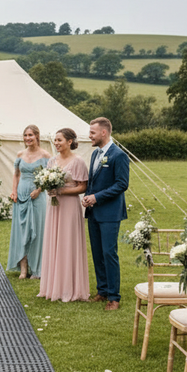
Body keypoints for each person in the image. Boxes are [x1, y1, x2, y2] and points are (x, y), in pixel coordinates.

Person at [82, 117, 130, 311]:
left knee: (109, 253)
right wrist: (88, 197)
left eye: (92, 132)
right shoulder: (95, 154)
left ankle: (114, 297)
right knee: (97, 253)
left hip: (110, 212)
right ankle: (102, 291)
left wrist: (97, 197)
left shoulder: (119, 155)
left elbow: (121, 184)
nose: (89, 136)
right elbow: (93, 181)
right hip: (94, 211)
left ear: (104, 132)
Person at [38, 128, 90, 302]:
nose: (56, 143)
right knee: (54, 241)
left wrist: (62, 191)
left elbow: (83, 187)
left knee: (68, 242)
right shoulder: (52, 161)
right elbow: (46, 182)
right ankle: (53, 286)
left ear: (69, 141)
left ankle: (70, 287)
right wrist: (50, 188)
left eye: (59, 140)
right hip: (54, 207)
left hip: (69, 207)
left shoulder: (78, 161)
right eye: (55, 140)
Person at [7, 125, 51, 279]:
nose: (28, 138)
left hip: (37, 197)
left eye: (30, 135)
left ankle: (37, 268)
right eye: (25, 135)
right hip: (21, 195)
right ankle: (23, 268)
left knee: (37, 232)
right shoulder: (20, 154)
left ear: (37, 136)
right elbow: (16, 174)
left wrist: (39, 190)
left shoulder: (45, 155)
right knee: (21, 232)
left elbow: (48, 177)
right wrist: (14, 191)